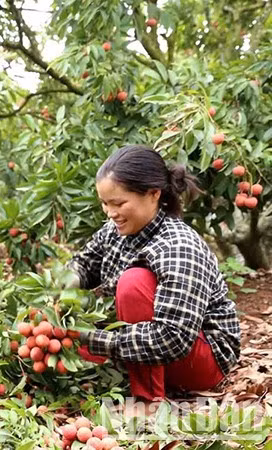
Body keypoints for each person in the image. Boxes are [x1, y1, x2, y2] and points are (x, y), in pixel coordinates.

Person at [67, 145, 240, 401]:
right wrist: (57, 288)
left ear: (153, 194)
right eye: (105, 204)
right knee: (60, 343)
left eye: (118, 203)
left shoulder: (178, 246)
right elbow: (84, 263)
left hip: (199, 358)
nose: (110, 213)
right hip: (149, 348)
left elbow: (174, 339)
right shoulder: (113, 230)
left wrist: (92, 340)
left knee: (133, 283)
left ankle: (148, 400)